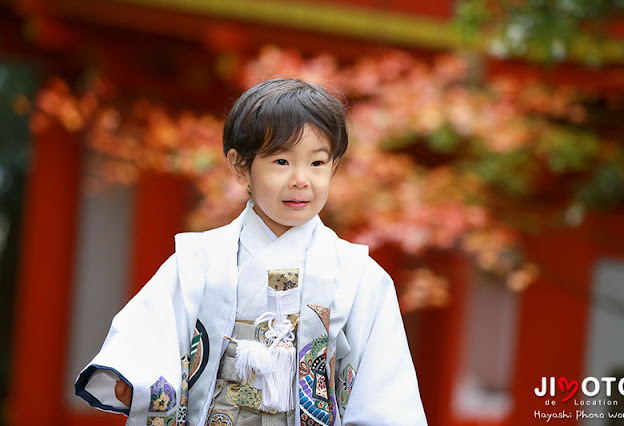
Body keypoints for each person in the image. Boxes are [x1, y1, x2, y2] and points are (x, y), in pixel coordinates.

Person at [75, 78, 428, 426]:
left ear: (334, 166)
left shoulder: (358, 274)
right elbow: (149, 332)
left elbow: (384, 390)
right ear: (240, 166)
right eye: (281, 162)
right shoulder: (199, 260)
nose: (301, 179)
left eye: (317, 163)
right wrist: (137, 379)